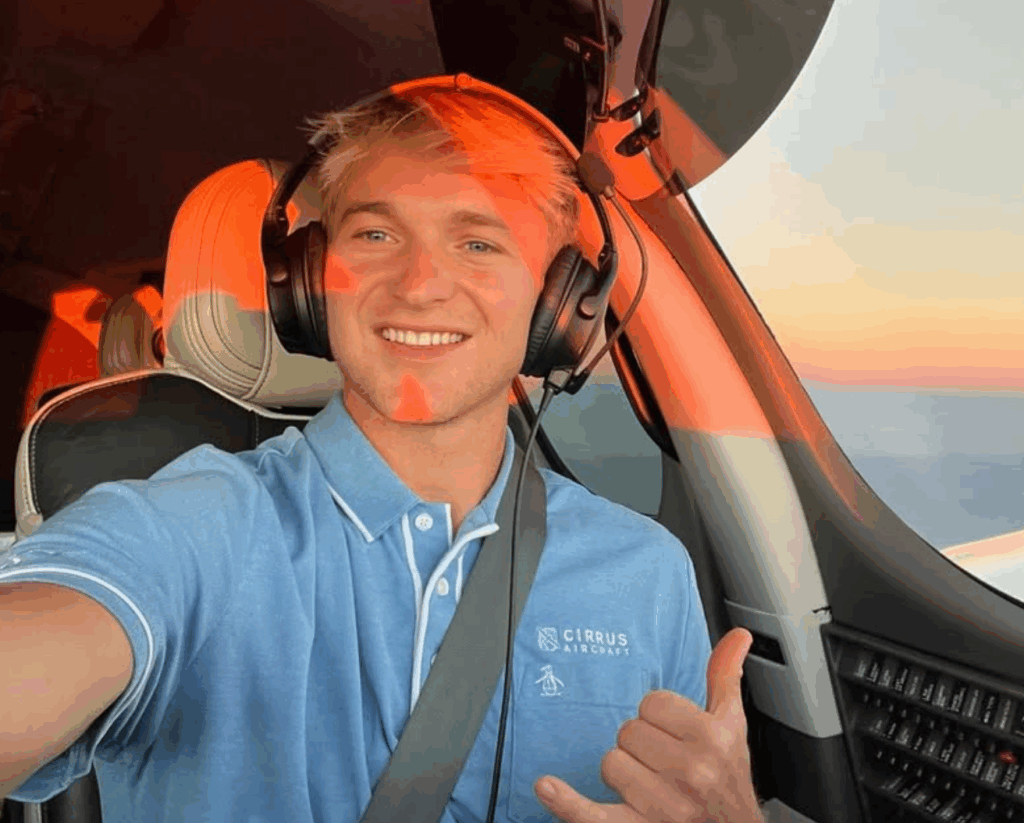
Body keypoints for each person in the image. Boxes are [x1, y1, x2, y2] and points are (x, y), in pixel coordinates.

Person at [0, 81, 764, 823]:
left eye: (477, 241)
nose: (421, 284)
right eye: (376, 234)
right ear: (307, 281)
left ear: (558, 303)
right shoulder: (199, 525)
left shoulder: (647, 570)